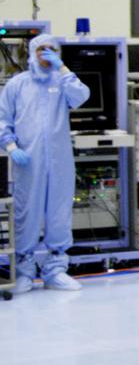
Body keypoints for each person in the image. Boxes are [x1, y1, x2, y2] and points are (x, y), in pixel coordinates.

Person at [0, 35, 91, 293]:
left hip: (60, 160)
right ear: (31, 52)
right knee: (26, 213)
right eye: (41, 49)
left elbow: (82, 96)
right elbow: (2, 119)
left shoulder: (62, 83)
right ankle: (25, 272)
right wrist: (11, 147)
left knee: (59, 212)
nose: (46, 53)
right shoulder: (18, 85)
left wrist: (63, 69)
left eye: (52, 49)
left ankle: (56, 271)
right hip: (28, 162)